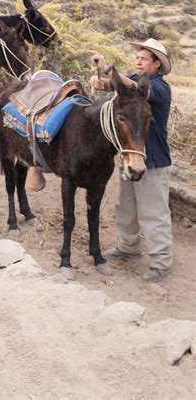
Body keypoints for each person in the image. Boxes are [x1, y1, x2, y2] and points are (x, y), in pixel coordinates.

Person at [89, 38, 173, 282]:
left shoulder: (159, 87)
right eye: (137, 57)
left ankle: (161, 261)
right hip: (130, 157)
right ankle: (128, 248)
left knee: (153, 212)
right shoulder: (134, 80)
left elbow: (136, 90)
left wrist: (108, 69)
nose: (138, 60)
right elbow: (120, 86)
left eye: (145, 58)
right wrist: (102, 83)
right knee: (126, 208)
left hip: (154, 160)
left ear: (157, 65)